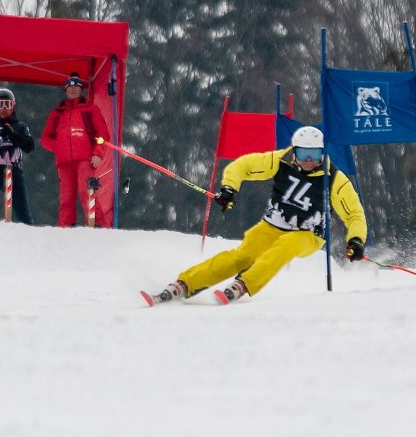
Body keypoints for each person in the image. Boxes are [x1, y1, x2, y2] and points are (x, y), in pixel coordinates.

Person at [144, 126, 366, 306]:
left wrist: (356, 240)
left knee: (286, 245)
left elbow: (354, 213)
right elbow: (243, 165)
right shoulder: (280, 161)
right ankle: (184, 284)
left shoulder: (333, 178)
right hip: (272, 226)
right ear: (294, 151)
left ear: (322, 153)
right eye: (303, 154)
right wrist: (230, 188)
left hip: (309, 234)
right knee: (242, 257)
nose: (308, 160)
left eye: (314, 154)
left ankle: (243, 284)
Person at [41, 72, 111, 227]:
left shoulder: (91, 109)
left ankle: (98, 226)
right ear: (66, 90)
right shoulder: (57, 113)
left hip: (85, 159)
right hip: (64, 162)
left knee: (87, 191)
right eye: (70, 87)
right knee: (66, 197)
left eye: (76, 87)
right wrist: (59, 147)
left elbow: (103, 135)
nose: (73, 90)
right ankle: (65, 227)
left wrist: (98, 154)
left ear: (81, 90)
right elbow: (45, 139)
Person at [0, 87, 35, 223]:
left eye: (7, 104)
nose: (4, 108)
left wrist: (13, 136)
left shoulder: (20, 126)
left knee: (22, 210)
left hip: (13, 168)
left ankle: (27, 230)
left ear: (12, 106)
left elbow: (29, 146)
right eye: (0, 104)